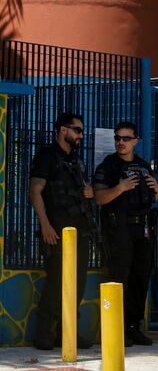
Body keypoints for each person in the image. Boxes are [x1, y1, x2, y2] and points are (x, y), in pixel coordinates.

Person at [29, 112, 95, 350]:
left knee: (77, 283)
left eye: (81, 131)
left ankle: (67, 333)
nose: (80, 135)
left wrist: (89, 192)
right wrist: (45, 225)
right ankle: (44, 334)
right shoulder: (47, 156)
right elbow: (35, 190)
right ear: (62, 130)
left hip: (80, 229)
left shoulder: (76, 159)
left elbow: (82, 191)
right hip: (57, 229)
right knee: (57, 282)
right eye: (76, 130)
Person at [93, 121, 158, 346]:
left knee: (140, 278)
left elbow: (155, 196)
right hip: (118, 228)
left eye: (125, 139)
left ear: (135, 141)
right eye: (117, 138)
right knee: (119, 277)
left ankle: (133, 326)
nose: (120, 142)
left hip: (142, 228)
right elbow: (100, 198)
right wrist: (120, 188)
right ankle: (115, 328)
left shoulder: (143, 165)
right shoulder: (108, 166)